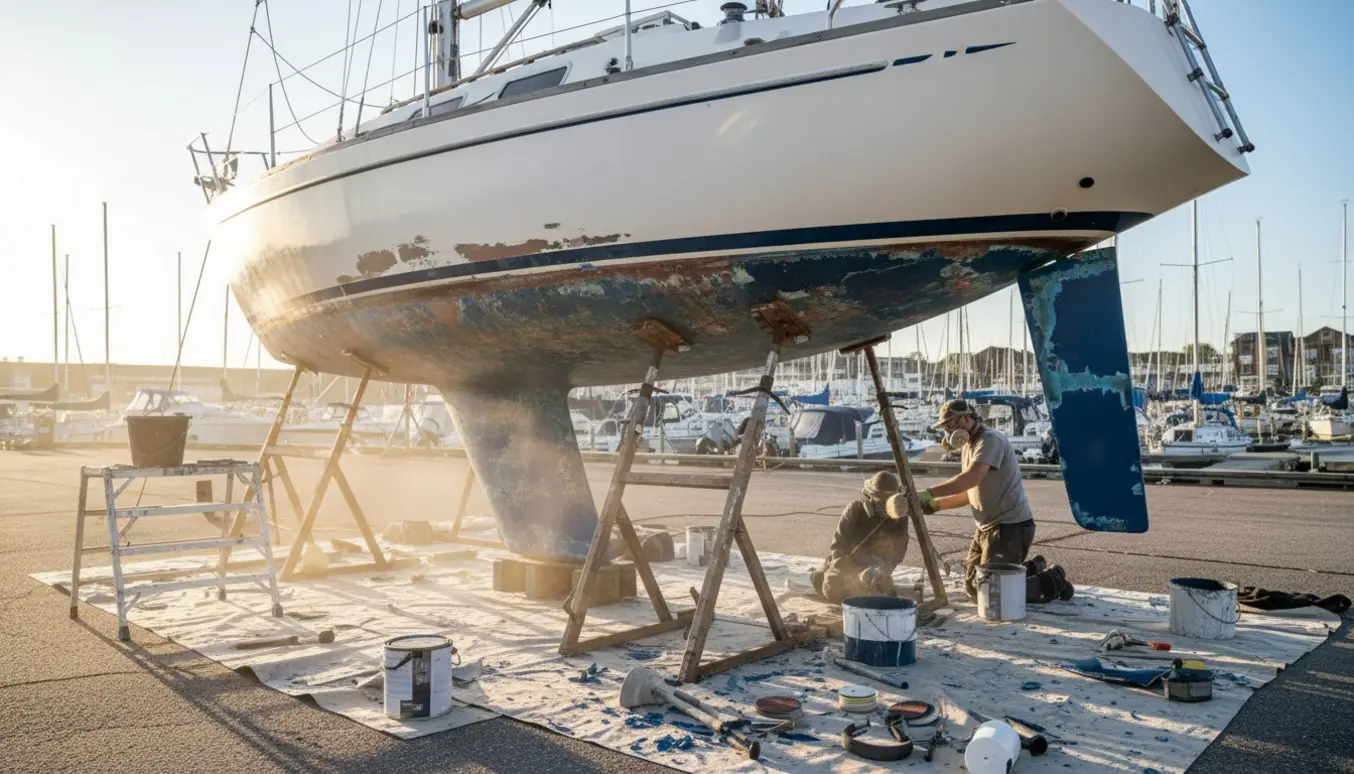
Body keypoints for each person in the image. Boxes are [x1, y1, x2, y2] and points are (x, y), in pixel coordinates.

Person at [915, 399, 1040, 600]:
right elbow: (969, 493)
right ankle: (1029, 568)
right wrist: (936, 505)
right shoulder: (969, 446)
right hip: (986, 528)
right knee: (974, 587)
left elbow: (970, 478)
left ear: (966, 418)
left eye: (951, 424)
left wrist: (929, 493)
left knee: (992, 593)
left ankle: (1051, 581)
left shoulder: (990, 440)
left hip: (1010, 526)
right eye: (946, 426)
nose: (948, 431)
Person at [811, 472, 910, 603]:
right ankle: (819, 576)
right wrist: (855, 572)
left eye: (889, 500)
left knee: (885, 597)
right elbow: (837, 547)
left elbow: (899, 549)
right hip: (849, 562)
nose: (884, 505)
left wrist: (884, 570)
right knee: (834, 593)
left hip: (876, 565)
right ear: (870, 496)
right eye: (880, 499)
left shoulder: (899, 516)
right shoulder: (855, 511)